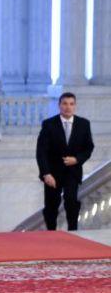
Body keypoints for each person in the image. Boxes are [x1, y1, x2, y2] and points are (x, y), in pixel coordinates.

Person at [36, 92, 94, 231]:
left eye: (71, 104)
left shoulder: (84, 124)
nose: (68, 107)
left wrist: (77, 159)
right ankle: (51, 234)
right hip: (52, 173)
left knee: (71, 202)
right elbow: (41, 152)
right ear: (59, 105)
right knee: (51, 206)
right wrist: (46, 173)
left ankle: (73, 232)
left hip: (72, 172)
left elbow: (89, 148)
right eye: (65, 104)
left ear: (75, 106)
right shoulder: (49, 124)